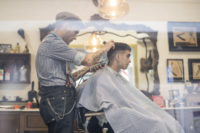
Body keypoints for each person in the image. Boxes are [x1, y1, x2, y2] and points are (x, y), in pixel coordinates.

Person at [78, 42, 184, 133]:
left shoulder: (115, 76)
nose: (130, 60)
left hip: (126, 110)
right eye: (128, 56)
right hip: (116, 114)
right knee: (158, 123)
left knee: (168, 121)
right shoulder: (102, 76)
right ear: (118, 56)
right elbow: (107, 102)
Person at [35, 11, 115, 133]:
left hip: (59, 98)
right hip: (58, 99)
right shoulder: (52, 43)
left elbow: (68, 79)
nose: (76, 37)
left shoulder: (55, 45)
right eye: (75, 32)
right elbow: (88, 60)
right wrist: (105, 48)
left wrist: (89, 69)